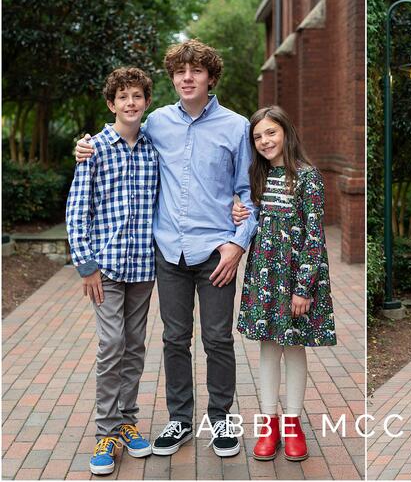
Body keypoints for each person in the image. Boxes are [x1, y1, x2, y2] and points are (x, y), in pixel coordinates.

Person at [75, 40, 259, 458]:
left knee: (217, 338)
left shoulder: (235, 126)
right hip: (168, 253)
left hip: (216, 252)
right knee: (175, 339)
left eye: (196, 71)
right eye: (180, 72)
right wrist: (83, 146)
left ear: (211, 78)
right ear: (173, 79)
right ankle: (179, 419)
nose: (187, 78)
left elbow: (249, 194)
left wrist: (237, 244)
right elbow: (117, 138)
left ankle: (221, 420)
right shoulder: (156, 122)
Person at [231, 106, 336, 462]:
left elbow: (314, 235)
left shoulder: (307, 177)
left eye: (271, 133)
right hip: (265, 276)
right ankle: (268, 423)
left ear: (286, 133)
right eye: (258, 136)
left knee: (293, 348)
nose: (265, 141)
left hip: (294, 278)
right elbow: (252, 217)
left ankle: (292, 423)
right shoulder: (258, 178)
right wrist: (239, 212)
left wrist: (304, 287)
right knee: (268, 349)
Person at [66, 67, 157, 474]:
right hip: (106, 267)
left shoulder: (154, 148)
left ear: (146, 102)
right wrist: (86, 265)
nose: (131, 103)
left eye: (137, 96)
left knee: (135, 346)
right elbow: (76, 209)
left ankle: (126, 422)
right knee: (112, 344)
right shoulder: (94, 148)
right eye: (123, 97)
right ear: (111, 104)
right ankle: (106, 429)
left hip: (143, 265)